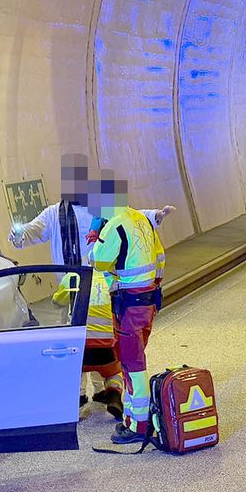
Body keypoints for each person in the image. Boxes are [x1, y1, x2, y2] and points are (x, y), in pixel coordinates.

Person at [10, 155, 174, 416]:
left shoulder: (97, 209)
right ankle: (98, 391)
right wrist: (18, 234)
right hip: (77, 289)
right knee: (94, 341)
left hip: (96, 289)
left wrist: (155, 216)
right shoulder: (54, 213)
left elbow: (129, 216)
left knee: (89, 341)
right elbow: (33, 230)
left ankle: (95, 392)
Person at [90, 174, 166, 445]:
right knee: (136, 359)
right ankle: (134, 418)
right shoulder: (141, 219)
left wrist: (99, 237)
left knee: (132, 364)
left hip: (129, 306)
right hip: (148, 302)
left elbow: (97, 262)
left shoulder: (115, 226)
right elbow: (160, 257)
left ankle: (140, 424)